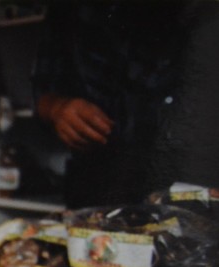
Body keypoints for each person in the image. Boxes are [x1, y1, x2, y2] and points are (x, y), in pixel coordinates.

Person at [33, 0, 219, 208]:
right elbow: (43, 88)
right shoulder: (70, 8)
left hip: (192, 178)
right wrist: (57, 109)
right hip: (101, 179)